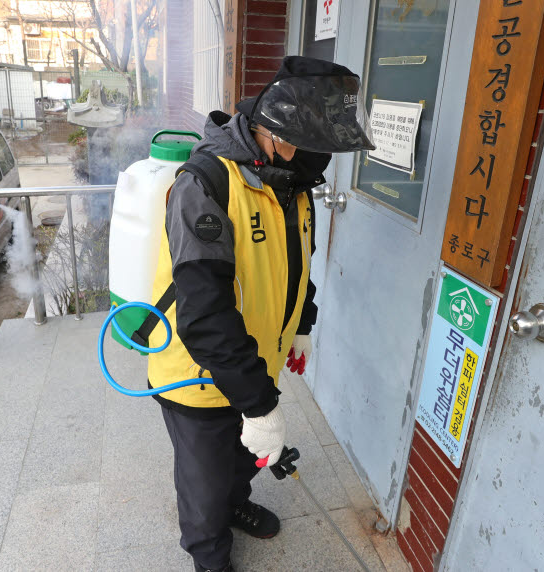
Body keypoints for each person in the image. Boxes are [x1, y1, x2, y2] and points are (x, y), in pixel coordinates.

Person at [146, 56, 375, 572]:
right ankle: (210, 557)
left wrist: (302, 325)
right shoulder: (204, 186)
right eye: (308, 146)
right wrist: (258, 403)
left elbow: (297, 266)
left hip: (255, 362)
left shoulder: (289, 183)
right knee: (204, 481)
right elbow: (204, 316)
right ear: (270, 131)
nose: (316, 162)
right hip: (198, 374)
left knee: (244, 458)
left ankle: (236, 502)